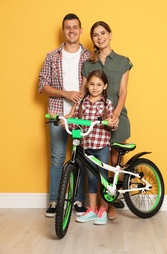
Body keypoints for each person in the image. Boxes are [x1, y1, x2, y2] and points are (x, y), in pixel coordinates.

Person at [38, 13, 91, 217]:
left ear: (80, 30)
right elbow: (42, 86)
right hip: (57, 114)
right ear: (63, 31)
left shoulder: (89, 56)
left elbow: (97, 84)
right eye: (68, 27)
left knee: (81, 159)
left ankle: (78, 200)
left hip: (82, 114)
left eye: (75, 27)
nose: (71, 31)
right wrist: (65, 93)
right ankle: (54, 201)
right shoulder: (52, 56)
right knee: (57, 157)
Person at [81, 21, 133, 219]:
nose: (100, 37)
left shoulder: (122, 61)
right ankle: (104, 205)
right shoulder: (88, 64)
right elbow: (84, 92)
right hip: (95, 120)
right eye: (95, 34)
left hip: (117, 116)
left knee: (114, 161)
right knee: (97, 164)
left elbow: (122, 91)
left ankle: (112, 201)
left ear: (110, 35)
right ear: (92, 38)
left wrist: (116, 115)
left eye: (103, 33)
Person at [66, 69, 117, 225]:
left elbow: (112, 123)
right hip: (87, 145)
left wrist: (111, 123)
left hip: (101, 145)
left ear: (104, 86)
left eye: (99, 84)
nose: (95, 87)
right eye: (92, 84)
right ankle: (92, 209)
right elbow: (75, 120)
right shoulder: (81, 103)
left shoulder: (107, 103)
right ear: (87, 85)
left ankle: (103, 209)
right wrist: (66, 122)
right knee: (92, 178)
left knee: (102, 177)